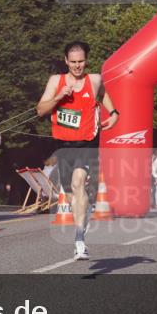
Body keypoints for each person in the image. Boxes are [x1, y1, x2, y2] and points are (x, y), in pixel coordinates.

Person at [37, 41, 118, 261]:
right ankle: (84, 215)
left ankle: (79, 239)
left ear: (86, 60)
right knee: (72, 194)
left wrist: (114, 113)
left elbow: (104, 95)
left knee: (78, 183)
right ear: (66, 61)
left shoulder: (94, 80)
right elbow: (40, 110)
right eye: (73, 62)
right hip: (64, 144)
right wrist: (58, 97)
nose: (77, 66)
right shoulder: (56, 81)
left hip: (88, 141)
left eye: (81, 61)